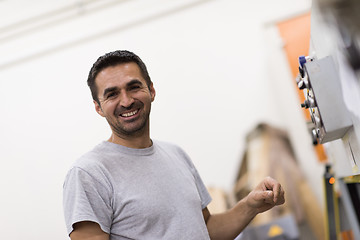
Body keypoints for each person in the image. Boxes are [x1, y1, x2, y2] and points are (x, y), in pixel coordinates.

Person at [63, 50, 285, 240]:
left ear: (151, 90)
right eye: (112, 94)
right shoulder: (89, 174)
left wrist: (250, 205)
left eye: (134, 87)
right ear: (98, 107)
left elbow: (205, 229)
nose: (127, 100)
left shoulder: (175, 154)